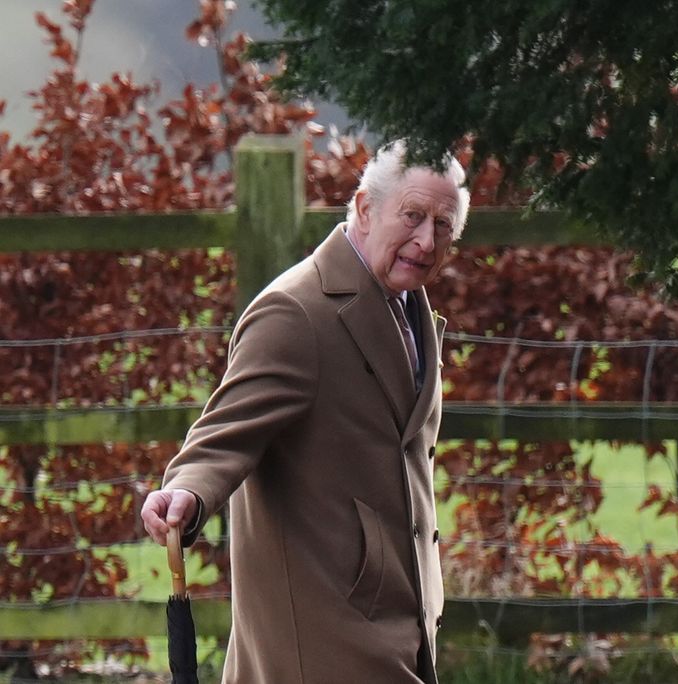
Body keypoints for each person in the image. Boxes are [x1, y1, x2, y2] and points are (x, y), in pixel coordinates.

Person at [140, 140, 470, 683]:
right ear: (364, 208)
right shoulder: (295, 312)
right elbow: (224, 433)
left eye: (444, 225)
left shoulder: (410, 306)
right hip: (321, 636)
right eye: (412, 216)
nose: (427, 240)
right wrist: (187, 493)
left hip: (402, 628)